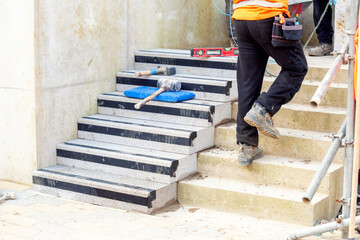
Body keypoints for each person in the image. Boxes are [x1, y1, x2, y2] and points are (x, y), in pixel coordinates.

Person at [232, 0, 308, 165]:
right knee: (297, 68)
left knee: (248, 83)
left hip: (241, 18)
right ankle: (263, 108)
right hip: (268, 15)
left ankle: (247, 146)